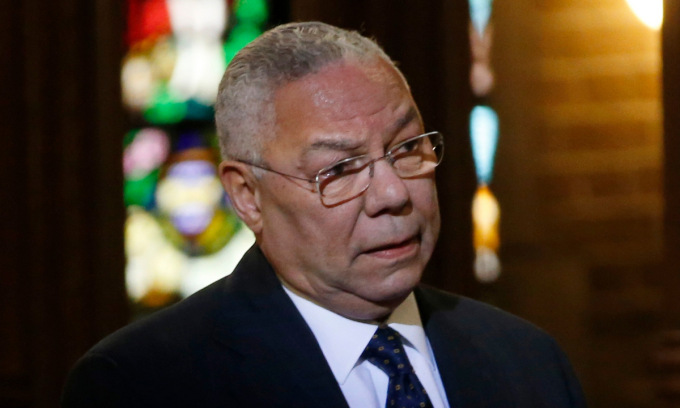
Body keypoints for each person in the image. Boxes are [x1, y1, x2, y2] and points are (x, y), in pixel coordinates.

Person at [62, 22, 586, 407]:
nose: (392, 194)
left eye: (407, 148)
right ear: (247, 196)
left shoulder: (527, 361)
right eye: (339, 169)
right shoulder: (141, 384)